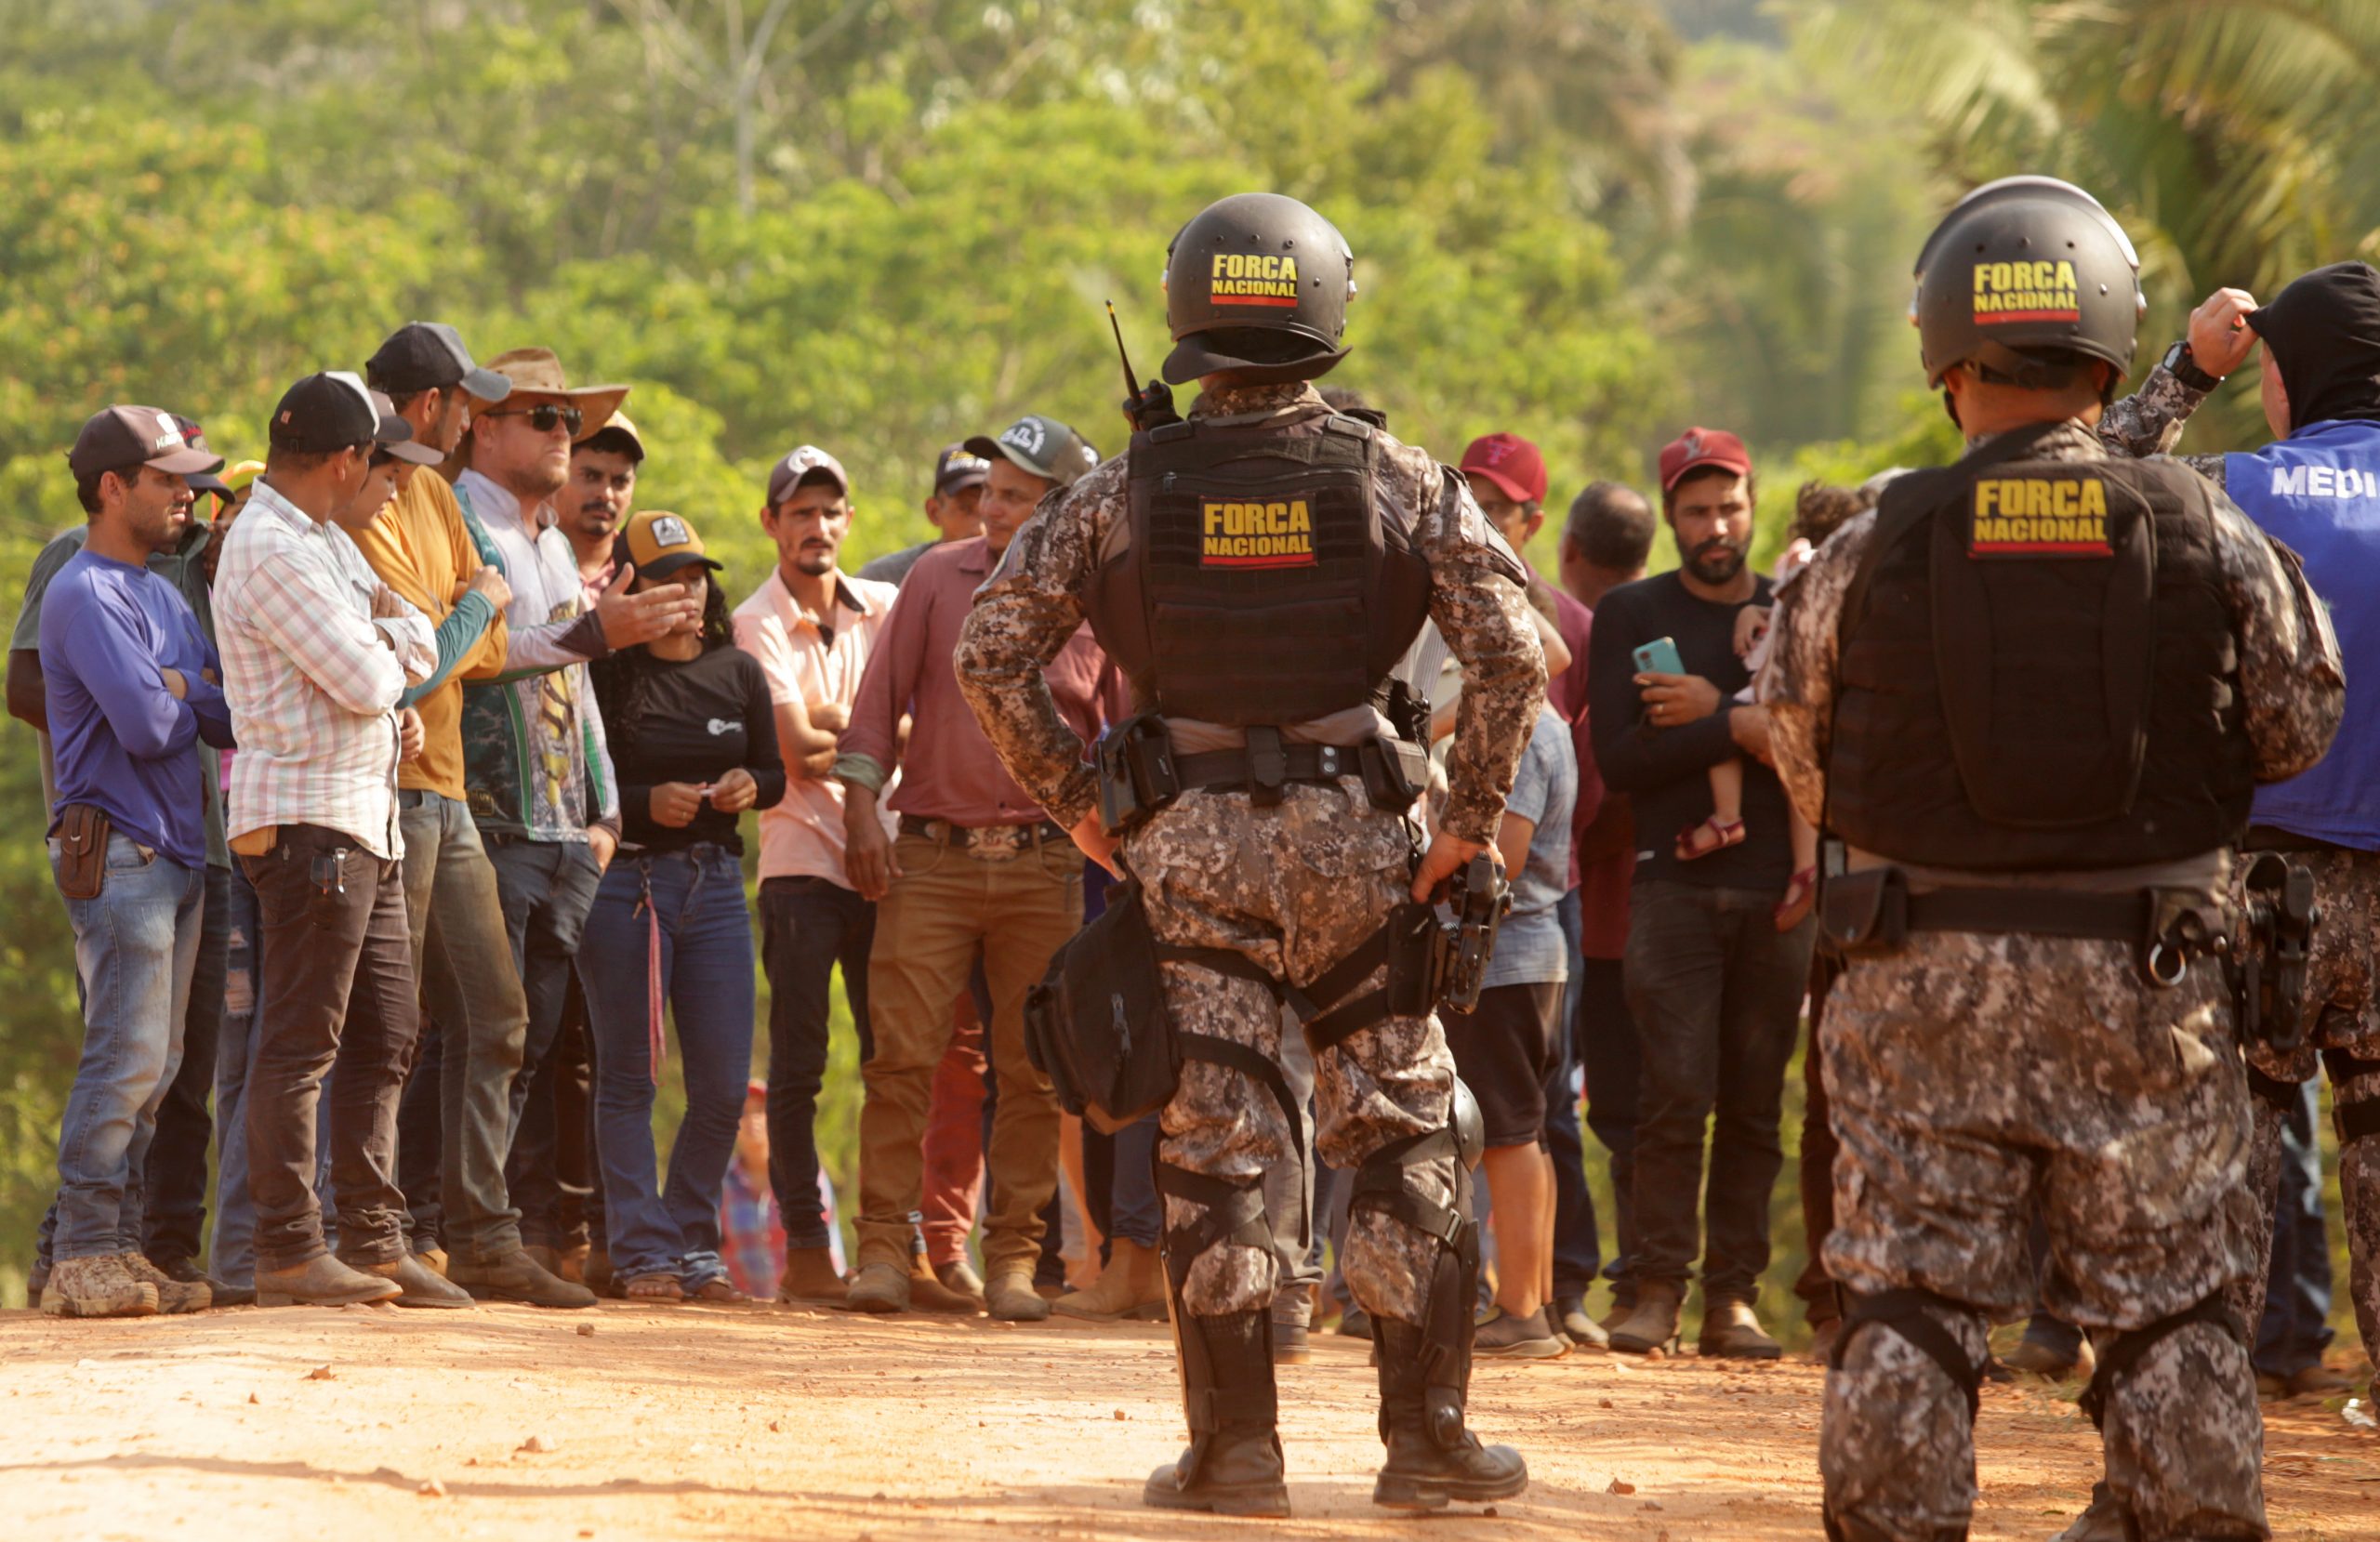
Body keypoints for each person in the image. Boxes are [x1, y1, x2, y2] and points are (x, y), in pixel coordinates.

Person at [1760, 176, 2343, 1538]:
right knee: (2172, 1307)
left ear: (1947, 362)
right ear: (2110, 356)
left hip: (1917, 980)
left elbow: (1797, 739)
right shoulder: (2212, 527)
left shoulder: (1869, 538)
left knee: (1909, 1296)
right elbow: (2300, 721)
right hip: (2150, 984)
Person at [955, 192, 1542, 1515]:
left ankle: (1235, 1454)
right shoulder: (1398, 478)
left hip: (1191, 851)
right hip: (1368, 851)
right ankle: (1428, 1444)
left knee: (1217, 1135)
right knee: (1399, 1131)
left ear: (1188, 325)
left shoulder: (1115, 494)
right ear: (1325, 318)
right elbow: (1515, 650)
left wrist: (1081, 808)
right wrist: (1465, 819)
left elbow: (985, 652)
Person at [2092, 260, 2380, 1413]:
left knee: (2232, 1159)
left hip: (2265, 888)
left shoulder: (2235, 489)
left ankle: (2198, 1445)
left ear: (2285, 371)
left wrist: (2181, 372)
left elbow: (2076, 482)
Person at [834, 412, 1105, 1322]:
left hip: (1045, 865)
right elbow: (874, 712)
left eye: (1015, 496)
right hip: (932, 860)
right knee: (901, 1059)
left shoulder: (1098, 602)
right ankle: (880, 1251)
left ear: (1059, 510)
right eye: (988, 491)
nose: (991, 508)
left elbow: (1123, 728)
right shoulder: (931, 580)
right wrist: (860, 806)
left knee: (1032, 1070)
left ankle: (1014, 1264)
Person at [216, 373, 450, 1309]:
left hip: (361, 819)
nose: (384, 478)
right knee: (303, 1043)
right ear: (348, 458)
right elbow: (369, 676)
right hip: (311, 821)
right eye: (377, 460)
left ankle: (376, 1242)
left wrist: (391, 652)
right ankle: (287, 1247)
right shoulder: (272, 546)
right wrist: (390, 658)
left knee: (389, 1032)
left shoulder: (320, 542)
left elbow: (414, 636)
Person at [1585, 425, 1813, 1360]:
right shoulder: (1631, 616)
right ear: (1671, 517)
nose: (1714, 524)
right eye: (1694, 510)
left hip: (1778, 890)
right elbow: (1623, 759)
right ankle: (1652, 1294)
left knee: (1756, 1104)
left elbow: (1816, 741)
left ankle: (1734, 1302)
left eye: (1728, 506)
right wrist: (1749, 727)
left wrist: (1714, 711)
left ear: (1752, 505)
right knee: (1671, 1095)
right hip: (1669, 885)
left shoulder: (1793, 604)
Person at [453, 349, 673, 1307]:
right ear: (481, 423)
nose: (561, 435)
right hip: (484, 817)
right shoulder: (454, 518)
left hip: (564, 829)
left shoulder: (542, 537)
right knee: (464, 1033)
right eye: (543, 417)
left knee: (527, 1041)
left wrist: (608, 810)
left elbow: (575, 680)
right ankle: (440, 1230)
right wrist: (593, 633)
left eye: (567, 421)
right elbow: (471, 653)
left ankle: (482, 1232)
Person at [12, 416, 243, 1307]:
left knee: (161, 1061)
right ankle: (82, 1253)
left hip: (176, 848)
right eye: (166, 477)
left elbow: (225, 710)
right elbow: (152, 725)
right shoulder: (84, 591)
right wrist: (177, 691)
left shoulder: (159, 594)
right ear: (112, 486)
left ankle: (121, 1242)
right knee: (124, 1055)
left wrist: (175, 689)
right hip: (121, 852)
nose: (186, 492)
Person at [349, 321, 533, 1310]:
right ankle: (377, 1233)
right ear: (432, 404)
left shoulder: (433, 494)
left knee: (497, 1014)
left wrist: (461, 613)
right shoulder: (369, 489)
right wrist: (467, 608)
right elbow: (414, 659)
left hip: (450, 791)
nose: (473, 418)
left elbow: (483, 645)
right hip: (397, 785)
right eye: (469, 402)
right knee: (389, 1023)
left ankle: (483, 1231)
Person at [582, 508, 785, 1300]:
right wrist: (641, 802)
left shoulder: (738, 671)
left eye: (696, 576)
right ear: (630, 588)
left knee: (726, 1086)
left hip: (716, 887)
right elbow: (583, 789)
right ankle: (643, 1251)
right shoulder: (608, 674)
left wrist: (749, 787)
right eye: (668, 579)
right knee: (631, 1078)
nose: (687, 592)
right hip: (630, 887)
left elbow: (770, 772)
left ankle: (690, 1235)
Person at [729, 444, 903, 1304]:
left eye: (830, 512)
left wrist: (837, 723)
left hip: (887, 859)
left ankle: (886, 1246)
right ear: (772, 524)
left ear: (850, 520)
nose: (818, 528)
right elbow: (796, 752)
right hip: (800, 865)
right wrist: (865, 726)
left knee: (892, 1059)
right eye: (800, 512)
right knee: (801, 1063)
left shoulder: (888, 606)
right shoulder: (754, 620)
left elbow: (912, 719)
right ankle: (806, 1245)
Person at [1553, 480, 1654, 1334]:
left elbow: (1596, 790)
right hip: (1623, 914)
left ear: (1567, 549)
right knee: (1627, 1108)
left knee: (1558, 1103)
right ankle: (1634, 1284)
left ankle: (1571, 1283)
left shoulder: (1593, 637)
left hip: (1583, 907)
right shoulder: (1662, 634)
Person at [1450, 699, 1576, 1359]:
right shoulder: (1549, 723)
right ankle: (1538, 1299)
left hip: (1510, 953)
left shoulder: (1523, 730)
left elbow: (1510, 854)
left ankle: (1520, 1307)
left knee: (1505, 1132)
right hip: (1533, 952)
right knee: (1527, 1130)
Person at [856, 443, 990, 586]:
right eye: (965, 509)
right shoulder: (885, 579)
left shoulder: (1010, 577)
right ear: (934, 512)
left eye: (988, 510)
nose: (980, 529)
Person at [720, 1080, 790, 1299]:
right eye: (743, 1113)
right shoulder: (720, 1183)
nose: (752, 1120)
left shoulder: (806, 1178)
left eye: (760, 1110)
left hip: (804, 1304)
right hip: (741, 1311)